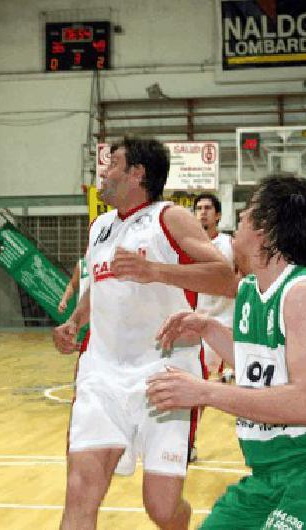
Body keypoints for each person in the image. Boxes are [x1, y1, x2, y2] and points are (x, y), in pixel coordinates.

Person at [149, 174, 306, 529]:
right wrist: (207, 328)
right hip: (269, 474)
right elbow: (262, 367)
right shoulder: (251, 290)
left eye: (247, 212)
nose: (238, 223)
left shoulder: (305, 293)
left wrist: (205, 391)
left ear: (266, 227)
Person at [52, 136, 237, 530]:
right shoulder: (100, 226)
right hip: (100, 375)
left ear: (137, 173)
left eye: (112, 163)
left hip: (165, 373)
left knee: (162, 508)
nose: (102, 171)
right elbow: (95, 289)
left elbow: (225, 278)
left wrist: (156, 271)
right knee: (80, 491)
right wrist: (74, 323)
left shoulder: (170, 218)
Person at [193, 193, 236, 382]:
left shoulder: (231, 244)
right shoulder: (188, 246)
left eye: (208, 208)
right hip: (199, 322)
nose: (203, 213)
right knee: (203, 379)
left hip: (227, 323)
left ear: (218, 215)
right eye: (199, 209)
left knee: (226, 382)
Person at [57, 257, 90, 351]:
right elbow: (72, 285)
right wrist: (64, 300)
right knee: (83, 354)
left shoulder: (110, 259)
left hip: (104, 318)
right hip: (84, 316)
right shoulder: (82, 263)